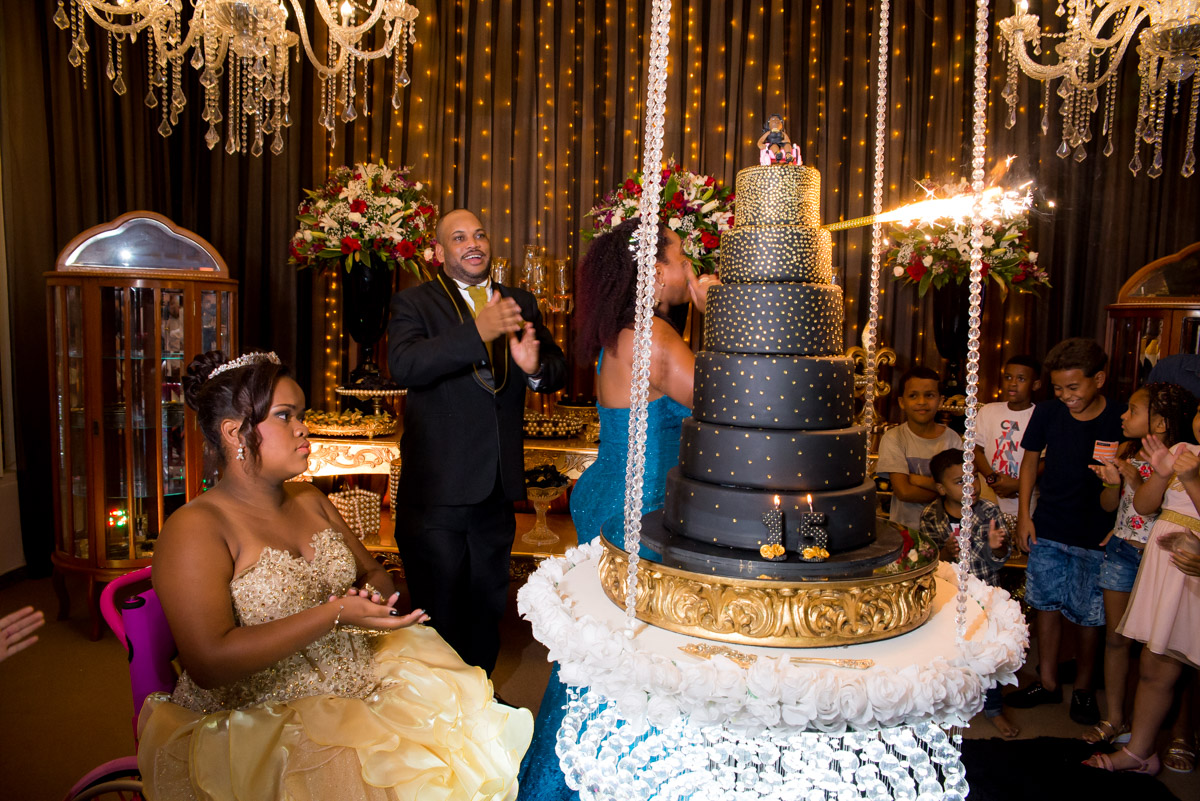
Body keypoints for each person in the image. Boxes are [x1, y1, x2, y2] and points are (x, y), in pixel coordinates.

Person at [137, 351, 532, 801]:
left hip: (357, 671)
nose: (302, 428)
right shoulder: (196, 528)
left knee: (477, 730)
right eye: (285, 416)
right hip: (264, 713)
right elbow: (208, 662)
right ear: (234, 433)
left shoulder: (310, 498)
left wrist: (378, 599)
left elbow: (370, 571)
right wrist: (336, 613)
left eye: (301, 414)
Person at [519, 218, 718, 800]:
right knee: (628, 654)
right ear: (654, 272)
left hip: (609, 491)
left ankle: (564, 773)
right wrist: (724, 313)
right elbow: (740, 398)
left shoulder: (625, 334)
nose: (690, 271)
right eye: (682, 259)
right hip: (642, 507)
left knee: (598, 645)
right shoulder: (655, 336)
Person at [387, 209, 567, 675]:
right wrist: (478, 332)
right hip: (437, 491)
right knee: (439, 609)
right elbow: (404, 366)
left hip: (495, 486)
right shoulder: (415, 303)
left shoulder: (519, 301)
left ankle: (481, 703)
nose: (473, 243)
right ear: (440, 252)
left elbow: (556, 366)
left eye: (480, 235)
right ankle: (442, 709)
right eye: (459, 237)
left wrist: (534, 369)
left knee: (487, 606)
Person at [1007, 338, 1126, 727]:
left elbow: (1129, 478)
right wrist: (1025, 515)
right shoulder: (1046, 412)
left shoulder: (1120, 418)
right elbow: (1029, 463)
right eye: (1058, 388)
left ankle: (1086, 689)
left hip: (1097, 533)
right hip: (1050, 524)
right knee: (1045, 604)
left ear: (1099, 379)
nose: (1065, 396)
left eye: (1073, 388)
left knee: (1090, 615)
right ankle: (1048, 680)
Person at [1084, 407, 1200, 775]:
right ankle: (1141, 751)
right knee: (1155, 663)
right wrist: (1163, 474)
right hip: (1164, 568)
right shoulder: (1182, 449)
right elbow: (1145, 506)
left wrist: (1193, 480)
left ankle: (1175, 739)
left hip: (1192, 572)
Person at [920, 448, 1016, 737]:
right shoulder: (931, 515)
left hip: (984, 594)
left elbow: (998, 558)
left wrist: (996, 546)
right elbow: (925, 558)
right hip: (948, 597)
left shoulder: (989, 511)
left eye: (972, 478)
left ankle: (994, 708)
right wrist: (942, 551)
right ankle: (945, 707)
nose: (970, 486)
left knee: (988, 651)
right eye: (959, 482)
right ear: (941, 488)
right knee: (946, 651)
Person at [875, 366, 963, 531]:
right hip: (907, 530)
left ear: (941, 401)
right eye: (913, 396)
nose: (921, 402)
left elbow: (960, 491)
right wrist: (943, 491)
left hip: (945, 531)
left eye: (929, 395)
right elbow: (904, 492)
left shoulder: (952, 439)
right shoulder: (894, 438)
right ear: (902, 402)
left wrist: (916, 479)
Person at [974, 355, 1042, 530]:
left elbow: (1044, 461)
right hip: (990, 492)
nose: (1013, 383)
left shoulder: (1040, 416)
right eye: (1008, 377)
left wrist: (1017, 484)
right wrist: (992, 478)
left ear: (1035, 384)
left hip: (1025, 499)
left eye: (1021, 379)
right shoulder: (988, 411)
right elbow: (976, 450)